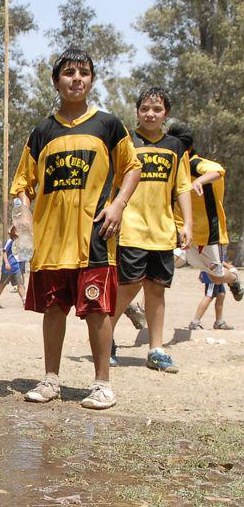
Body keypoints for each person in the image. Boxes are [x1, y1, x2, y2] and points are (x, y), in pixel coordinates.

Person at [11, 48, 141, 410]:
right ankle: (51, 379)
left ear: (92, 80)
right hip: (52, 241)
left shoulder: (109, 125)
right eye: (69, 72)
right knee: (54, 310)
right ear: (56, 81)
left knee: (98, 311)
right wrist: (22, 215)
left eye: (84, 72)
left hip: (95, 238)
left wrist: (118, 204)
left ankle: (102, 384)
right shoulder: (42, 131)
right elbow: (23, 182)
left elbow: (132, 168)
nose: (77, 78)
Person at [108, 88, 192, 373]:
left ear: (165, 112)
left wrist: (187, 224)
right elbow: (114, 182)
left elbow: (182, 187)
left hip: (163, 231)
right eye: (145, 108)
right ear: (137, 112)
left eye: (156, 109)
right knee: (128, 286)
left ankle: (156, 349)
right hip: (131, 228)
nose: (150, 114)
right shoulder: (127, 142)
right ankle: (105, 339)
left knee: (156, 290)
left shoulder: (175, 147)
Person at [169, 123, 243, 301]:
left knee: (215, 276)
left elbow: (217, 170)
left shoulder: (195, 164)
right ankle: (140, 307)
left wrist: (199, 181)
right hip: (180, 229)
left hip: (206, 233)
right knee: (164, 264)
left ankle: (233, 278)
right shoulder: (171, 166)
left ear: (188, 148)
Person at [0, 238, 25, 308]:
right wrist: (7, 263)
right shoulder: (10, 241)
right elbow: (4, 252)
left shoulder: (19, 241)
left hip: (16, 267)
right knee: (2, 284)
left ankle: (24, 301)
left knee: (20, 284)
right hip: (8, 268)